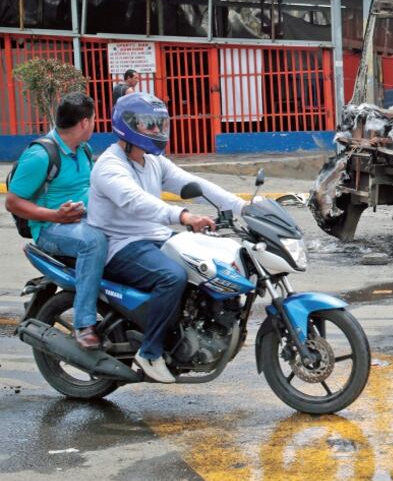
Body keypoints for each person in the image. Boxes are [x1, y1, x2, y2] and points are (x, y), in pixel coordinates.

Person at [87, 93, 245, 383]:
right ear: (128, 126)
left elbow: (195, 184)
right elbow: (136, 201)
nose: (158, 131)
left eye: (160, 124)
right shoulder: (110, 166)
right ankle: (149, 353)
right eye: (149, 125)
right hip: (120, 245)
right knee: (171, 277)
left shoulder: (152, 162)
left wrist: (242, 206)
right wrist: (184, 217)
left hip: (154, 238)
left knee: (212, 262)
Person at [5, 92, 107, 350]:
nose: (95, 124)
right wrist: (55, 215)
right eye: (93, 119)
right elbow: (13, 202)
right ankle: (84, 324)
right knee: (94, 242)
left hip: (83, 223)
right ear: (84, 122)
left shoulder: (83, 149)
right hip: (52, 229)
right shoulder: (41, 155)